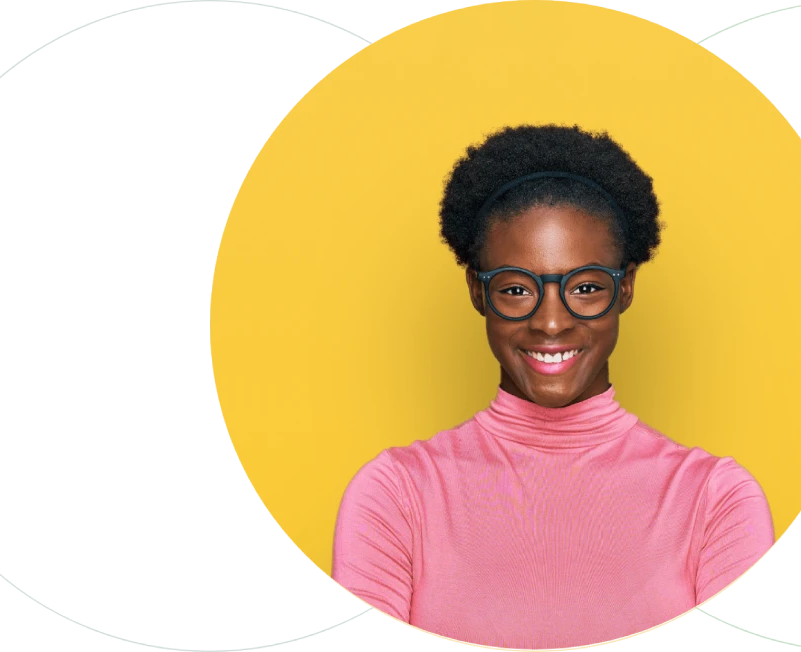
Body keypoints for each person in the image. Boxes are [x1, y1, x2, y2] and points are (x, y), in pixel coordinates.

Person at [331, 124, 774, 650]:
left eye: (585, 287)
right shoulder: (395, 496)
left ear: (626, 286)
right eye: (516, 289)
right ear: (477, 290)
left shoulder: (715, 502)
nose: (550, 323)